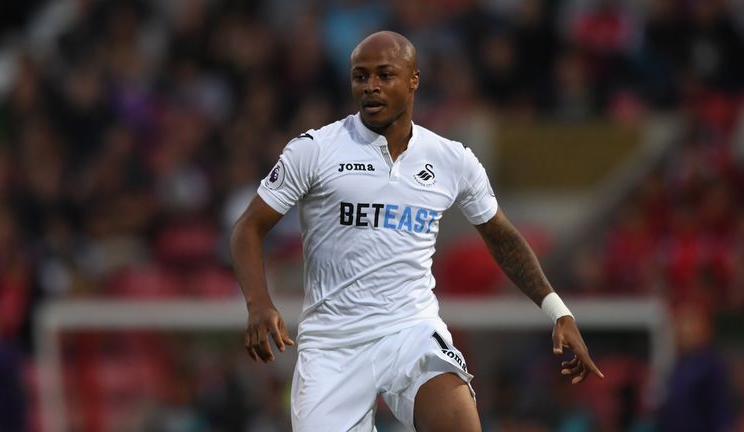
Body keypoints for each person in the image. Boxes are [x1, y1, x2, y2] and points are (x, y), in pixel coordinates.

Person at [230, 30, 603, 432]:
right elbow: (248, 228)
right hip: (333, 345)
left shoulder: (451, 159)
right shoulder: (315, 150)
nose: (370, 87)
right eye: (360, 76)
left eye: (384, 75)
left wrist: (557, 310)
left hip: (410, 331)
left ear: (413, 80)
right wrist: (259, 304)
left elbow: (502, 237)